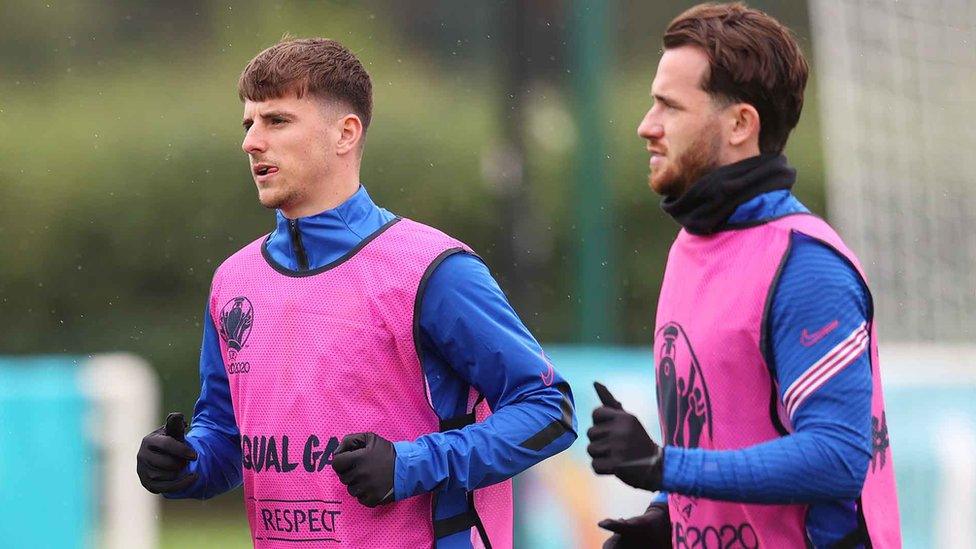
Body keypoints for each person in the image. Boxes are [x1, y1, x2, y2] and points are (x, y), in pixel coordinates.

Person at [136, 37, 577, 549]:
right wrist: (186, 463)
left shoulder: (432, 270)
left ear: (346, 134)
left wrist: (411, 464)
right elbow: (227, 437)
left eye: (276, 121)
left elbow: (548, 409)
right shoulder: (234, 282)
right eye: (248, 123)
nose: (252, 141)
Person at [586, 3, 901, 548]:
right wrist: (669, 517)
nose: (647, 125)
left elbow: (837, 456)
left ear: (739, 125)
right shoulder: (693, 245)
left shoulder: (805, 264)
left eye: (669, 106)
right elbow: (724, 433)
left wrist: (665, 466)